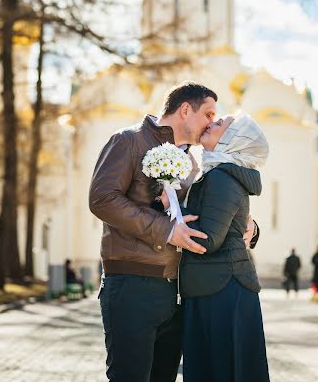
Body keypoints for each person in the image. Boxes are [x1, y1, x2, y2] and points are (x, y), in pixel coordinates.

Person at [89, 82, 258, 382]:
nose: (211, 122)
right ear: (184, 110)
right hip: (131, 284)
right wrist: (165, 231)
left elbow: (207, 214)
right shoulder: (128, 141)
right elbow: (101, 199)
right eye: (208, 114)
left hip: (176, 293)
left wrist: (248, 226)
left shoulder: (193, 164)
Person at [174, 112, 270, 382]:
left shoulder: (221, 177)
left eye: (219, 124)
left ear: (232, 140)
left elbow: (209, 239)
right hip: (219, 286)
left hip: (221, 290)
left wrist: (171, 216)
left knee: (220, 370)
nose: (211, 123)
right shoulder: (218, 173)